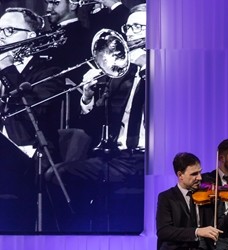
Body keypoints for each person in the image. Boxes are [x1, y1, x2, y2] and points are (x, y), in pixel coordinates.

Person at [45, 3, 147, 232]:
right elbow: (90, 127)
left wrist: (149, 66)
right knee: (57, 175)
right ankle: (78, 234)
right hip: (116, 158)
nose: (130, 33)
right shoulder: (118, 73)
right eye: (128, 27)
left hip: (151, 159)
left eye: (138, 27)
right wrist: (88, 96)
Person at [0, 8, 65, 159]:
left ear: (30, 36)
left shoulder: (49, 71)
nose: (0, 37)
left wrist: (9, 69)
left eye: (9, 30)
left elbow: (36, 117)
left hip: (31, 155)